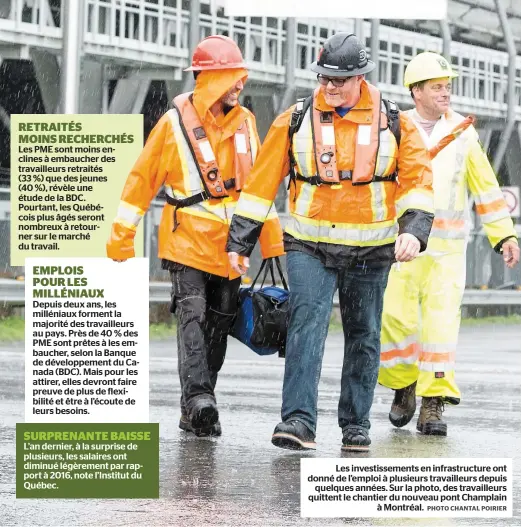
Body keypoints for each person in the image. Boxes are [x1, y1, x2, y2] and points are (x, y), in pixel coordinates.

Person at [226, 32, 435, 451]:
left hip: (372, 252)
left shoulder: (396, 123)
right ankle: (298, 421)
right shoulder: (295, 119)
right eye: (324, 78)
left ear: (361, 78)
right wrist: (239, 243)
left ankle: (355, 425)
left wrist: (413, 230)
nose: (330, 87)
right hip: (310, 246)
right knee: (306, 326)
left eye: (339, 80)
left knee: (364, 334)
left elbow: (417, 183)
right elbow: (261, 185)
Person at [107, 35, 284, 437]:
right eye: (232, 79)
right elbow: (141, 179)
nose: (240, 87)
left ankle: (195, 410)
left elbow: (259, 186)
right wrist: (122, 235)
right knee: (193, 318)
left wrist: (271, 241)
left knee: (218, 329)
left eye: (241, 79)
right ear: (208, 80)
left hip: (231, 249)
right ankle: (202, 400)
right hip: (185, 241)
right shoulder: (173, 125)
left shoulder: (246, 123)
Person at [378, 52, 520, 437]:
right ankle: (404, 386)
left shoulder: (463, 132)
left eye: (448, 86)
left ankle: (432, 405)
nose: (446, 93)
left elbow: (485, 187)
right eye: (438, 87)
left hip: (446, 251)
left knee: (440, 328)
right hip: (400, 248)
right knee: (396, 321)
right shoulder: (394, 129)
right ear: (416, 91)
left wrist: (504, 234)